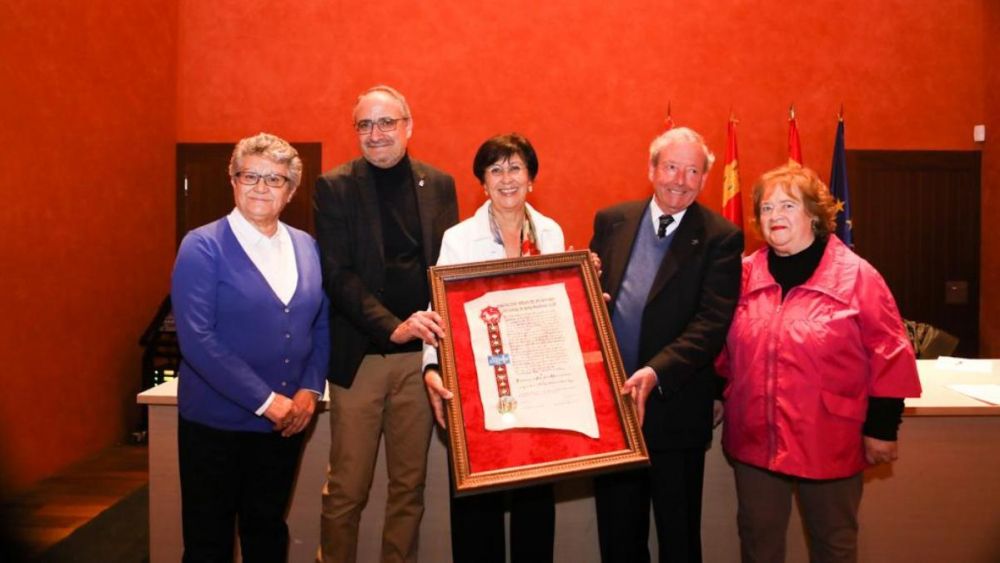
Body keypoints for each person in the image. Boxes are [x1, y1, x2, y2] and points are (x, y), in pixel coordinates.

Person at [715, 164, 921, 563]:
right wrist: (714, 392)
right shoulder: (740, 275)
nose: (775, 216)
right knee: (758, 543)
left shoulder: (857, 276)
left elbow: (890, 354)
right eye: (767, 207)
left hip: (829, 438)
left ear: (813, 213)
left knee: (834, 544)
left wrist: (882, 428)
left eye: (788, 205)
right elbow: (719, 345)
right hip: (755, 436)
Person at [314, 85, 459, 563]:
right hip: (362, 360)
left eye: (386, 123)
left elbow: (452, 267)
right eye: (364, 125)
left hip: (421, 364)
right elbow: (336, 274)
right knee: (347, 490)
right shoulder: (334, 186)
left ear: (408, 126)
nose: (375, 134)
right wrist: (392, 326)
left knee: (408, 489)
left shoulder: (439, 184)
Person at [171, 132, 329, 562]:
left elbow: (320, 322)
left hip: (286, 424)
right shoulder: (201, 246)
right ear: (233, 180)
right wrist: (265, 401)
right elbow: (197, 339)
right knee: (209, 542)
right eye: (250, 176)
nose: (261, 187)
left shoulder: (306, 245)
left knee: (267, 533)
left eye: (275, 180)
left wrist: (309, 390)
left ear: (291, 190)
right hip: (215, 425)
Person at [589, 126, 743, 563]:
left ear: (704, 179)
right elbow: (594, 303)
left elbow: (711, 323)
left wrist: (656, 371)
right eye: (672, 166)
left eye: (693, 170)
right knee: (619, 539)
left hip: (674, 408)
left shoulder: (721, 236)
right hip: (614, 410)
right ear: (652, 169)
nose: (680, 179)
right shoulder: (611, 220)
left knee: (678, 539)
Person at [423, 133, 564, 563]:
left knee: (534, 505)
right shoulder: (459, 239)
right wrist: (432, 371)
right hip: (474, 390)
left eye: (516, 168)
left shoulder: (551, 233)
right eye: (495, 169)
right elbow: (439, 311)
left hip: (539, 391)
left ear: (531, 179)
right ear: (482, 182)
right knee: (477, 510)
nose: (507, 178)